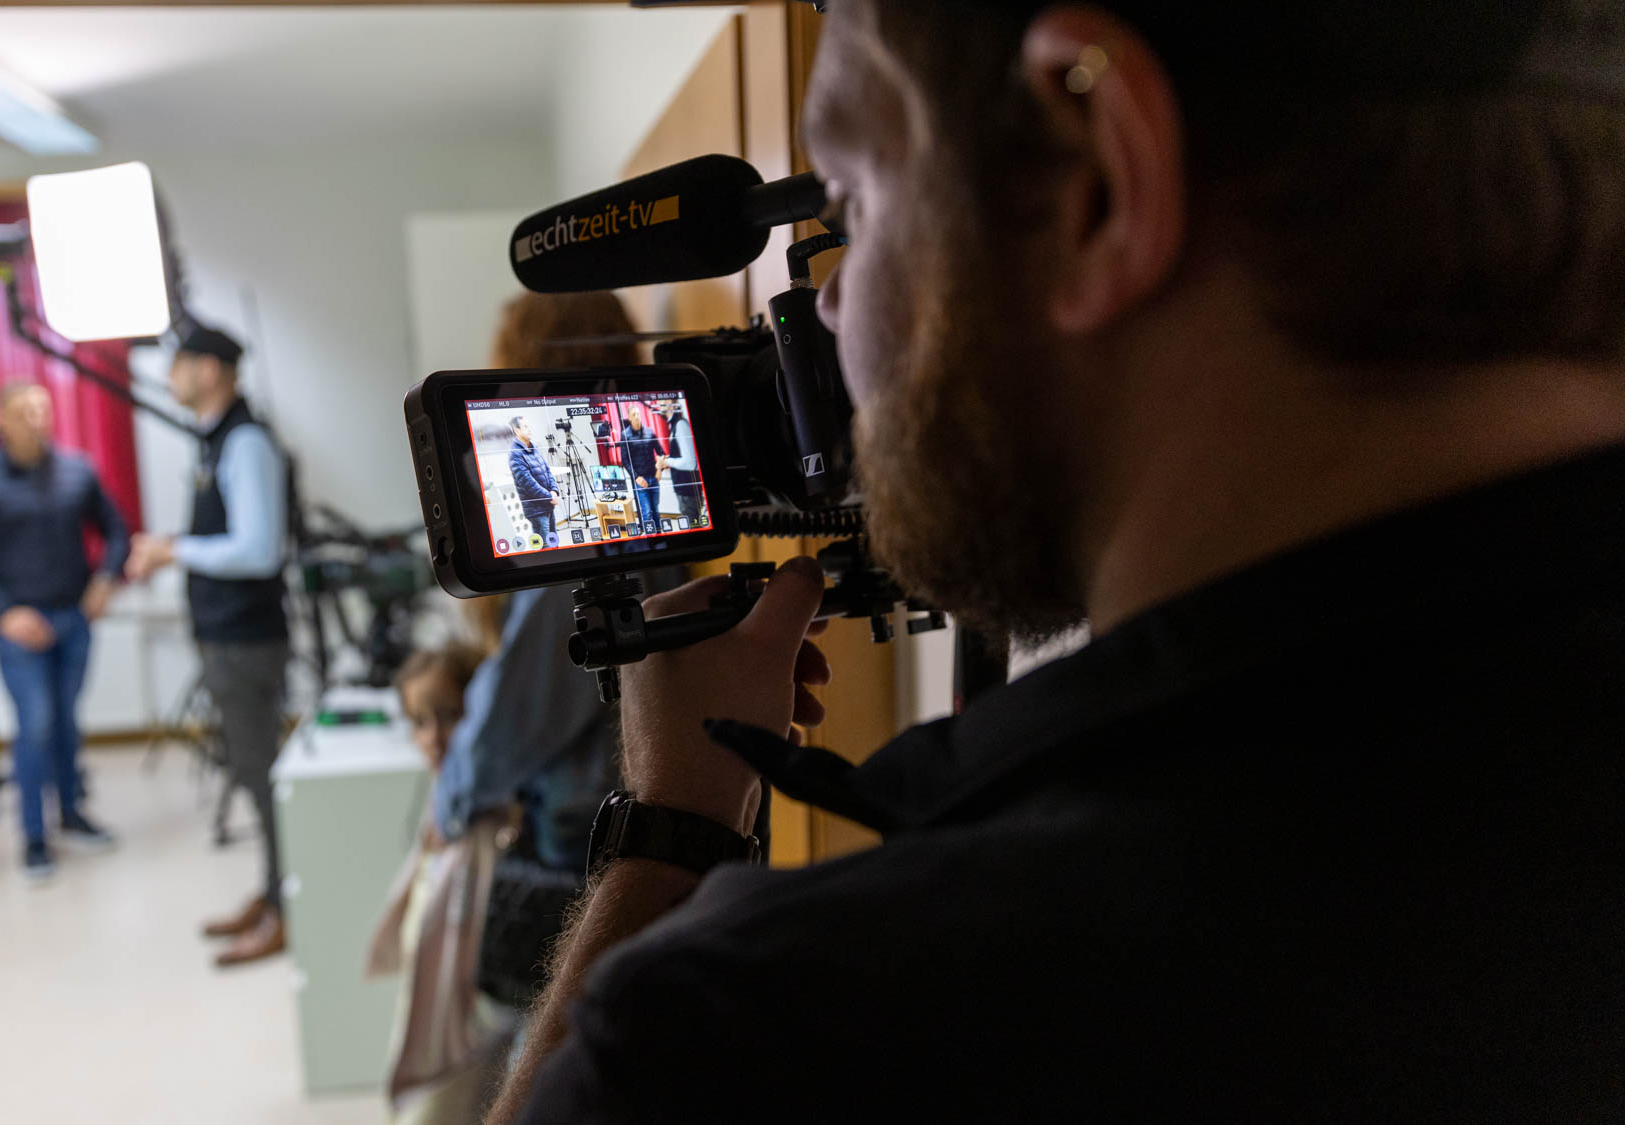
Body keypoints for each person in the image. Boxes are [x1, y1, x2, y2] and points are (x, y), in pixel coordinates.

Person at [492, 0, 1625, 1120]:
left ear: (1095, 184)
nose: (827, 309)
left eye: (855, 203)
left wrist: (669, 833)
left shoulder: (776, 1033)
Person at [125, 324, 291, 967]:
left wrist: (176, 551)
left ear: (210, 370)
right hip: (226, 638)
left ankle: (286, 908)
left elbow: (259, 549)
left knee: (262, 774)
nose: (169, 378)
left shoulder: (245, 442)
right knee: (251, 771)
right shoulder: (215, 441)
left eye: (179, 365)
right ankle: (274, 892)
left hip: (246, 640)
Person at [0, 381, 127, 880]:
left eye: (43, 410)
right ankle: (33, 836)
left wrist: (105, 580)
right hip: (20, 627)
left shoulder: (76, 471)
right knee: (36, 724)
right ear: (0, 420)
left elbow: (116, 532)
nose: (36, 420)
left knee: (66, 720)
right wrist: (5, 613)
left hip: (73, 618)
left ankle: (71, 812)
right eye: (24, 411)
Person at [366, 642, 518, 1125]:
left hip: (467, 1020)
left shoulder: (492, 822)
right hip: (430, 998)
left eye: (450, 716)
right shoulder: (443, 803)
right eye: (419, 721)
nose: (433, 738)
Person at [505, 416, 560, 550]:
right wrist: (549, 496)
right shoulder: (515, 454)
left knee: (554, 544)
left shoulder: (534, 448)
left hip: (547, 505)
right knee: (545, 548)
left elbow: (547, 471)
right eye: (526, 427)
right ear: (517, 431)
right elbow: (528, 484)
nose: (530, 429)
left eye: (529, 426)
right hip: (536, 510)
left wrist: (554, 490)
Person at [652, 399, 700, 528]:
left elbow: (691, 463)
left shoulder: (680, 425)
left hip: (687, 491)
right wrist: (667, 458)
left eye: (661, 399)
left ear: (670, 402)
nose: (657, 403)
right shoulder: (674, 425)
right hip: (684, 490)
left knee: (693, 526)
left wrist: (666, 462)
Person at [617, 405, 662, 534]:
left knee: (655, 510)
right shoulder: (625, 435)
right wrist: (636, 477)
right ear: (629, 418)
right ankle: (650, 540)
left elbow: (660, 452)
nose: (637, 417)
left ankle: (660, 537)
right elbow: (625, 460)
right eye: (634, 414)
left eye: (638, 414)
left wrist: (659, 470)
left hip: (654, 478)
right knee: (647, 512)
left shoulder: (649, 432)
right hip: (640, 481)